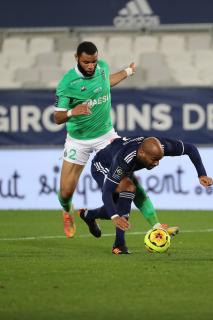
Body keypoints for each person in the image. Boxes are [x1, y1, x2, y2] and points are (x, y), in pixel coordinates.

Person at [54, 41, 171, 238]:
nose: (91, 66)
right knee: (66, 192)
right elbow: (57, 117)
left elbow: (106, 81)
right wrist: (73, 111)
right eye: (86, 62)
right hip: (78, 140)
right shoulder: (67, 83)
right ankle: (67, 212)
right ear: (77, 58)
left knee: (129, 181)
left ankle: (156, 224)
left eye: (94, 61)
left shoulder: (102, 68)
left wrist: (127, 72)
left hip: (106, 137)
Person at [79, 136, 213, 254]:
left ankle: (89, 215)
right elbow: (107, 192)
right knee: (126, 191)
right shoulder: (124, 159)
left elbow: (190, 148)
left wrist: (201, 174)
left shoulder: (160, 146)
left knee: (133, 195)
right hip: (102, 165)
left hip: (125, 167)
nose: (157, 163)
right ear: (142, 153)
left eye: (159, 159)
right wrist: (115, 217)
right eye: (154, 159)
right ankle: (119, 245)